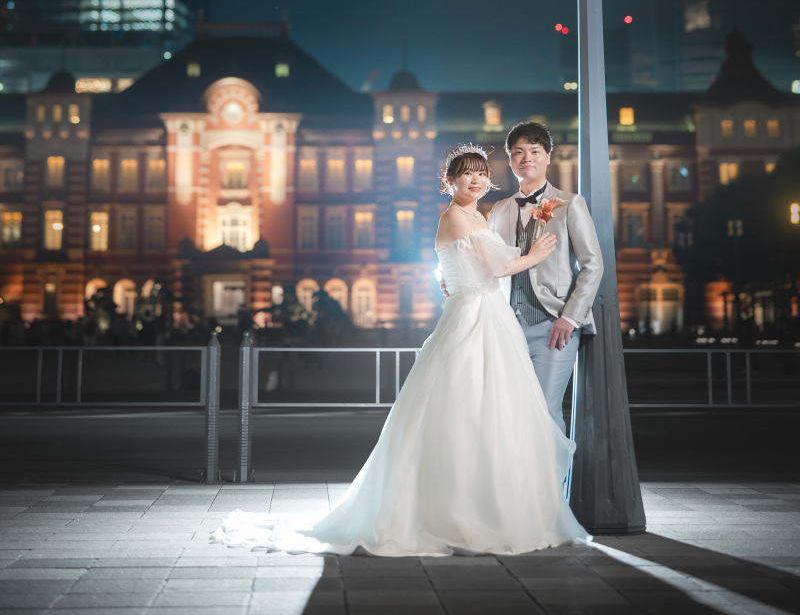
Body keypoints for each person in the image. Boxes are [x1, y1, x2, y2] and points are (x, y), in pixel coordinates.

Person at [212, 144, 588, 556]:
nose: (477, 180)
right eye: (467, 173)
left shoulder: (478, 217)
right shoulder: (454, 217)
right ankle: (459, 510)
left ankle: (492, 505)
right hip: (472, 318)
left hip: (489, 317)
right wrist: (534, 255)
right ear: (450, 180)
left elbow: (475, 266)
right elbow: (496, 268)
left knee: (491, 410)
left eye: (482, 173)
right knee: (464, 407)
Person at [487, 121, 604, 441]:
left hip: (554, 326)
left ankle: (555, 476)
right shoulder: (498, 210)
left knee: (545, 412)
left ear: (548, 157)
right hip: (507, 327)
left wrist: (570, 317)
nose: (527, 158)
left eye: (535, 151)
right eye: (518, 152)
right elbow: (488, 266)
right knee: (510, 414)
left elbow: (593, 265)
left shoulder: (569, 204)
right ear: (510, 160)